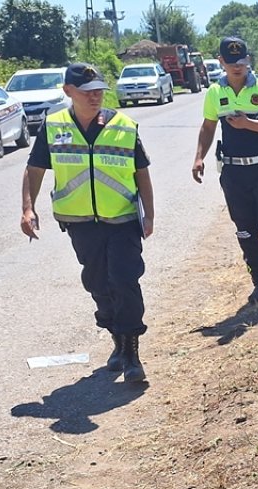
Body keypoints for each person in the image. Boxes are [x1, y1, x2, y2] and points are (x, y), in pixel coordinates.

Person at [20, 62, 154, 383]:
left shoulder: (123, 125)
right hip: (80, 222)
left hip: (122, 218)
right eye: (87, 92)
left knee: (125, 280)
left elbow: (142, 172)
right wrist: (28, 208)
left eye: (99, 92)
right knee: (98, 284)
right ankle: (117, 342)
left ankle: (132, 353)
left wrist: (149, 212)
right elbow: (35, 169)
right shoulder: (53, 127)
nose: (95, 97)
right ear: (68, 92)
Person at [191, 36, 258, 305]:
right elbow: (209, 127)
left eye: (242, 62)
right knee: (245, 231)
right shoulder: (215, 92)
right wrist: (198, 157)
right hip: (234, 173)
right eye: (231, 62)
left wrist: (247, 123)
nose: (237, 67)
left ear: (248, 61)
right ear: (221, 62)